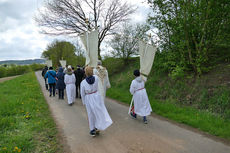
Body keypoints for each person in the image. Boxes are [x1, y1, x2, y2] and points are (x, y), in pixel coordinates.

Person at [81, 66, 113, 137]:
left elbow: (82, 93)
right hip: (96, 96)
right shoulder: (96, 78)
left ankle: (92, 130)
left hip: (89, 97)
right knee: (98, 112)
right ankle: (97, 127)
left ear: (85, 73)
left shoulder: (83, 82)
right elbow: (97, 73)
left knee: (90, 114)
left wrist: (84, 102)